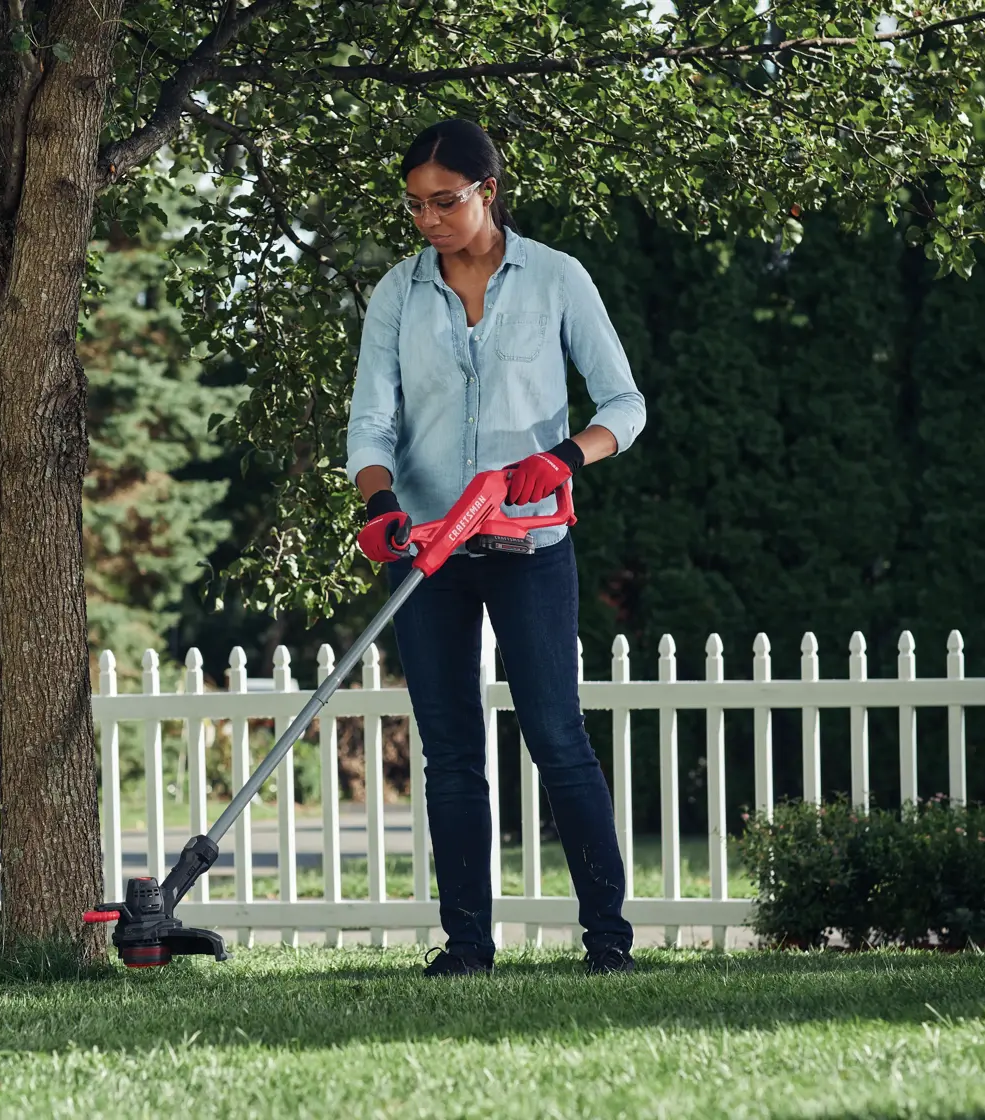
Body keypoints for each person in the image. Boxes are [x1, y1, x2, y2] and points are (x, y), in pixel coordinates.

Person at [345, 118, 647, 977]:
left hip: (529, 542)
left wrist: (557, 461)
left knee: (557, 737)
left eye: (446, 201)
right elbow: (372, 420)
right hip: (429, 549)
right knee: (450, 753)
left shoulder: (556, 278)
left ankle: (608, 942)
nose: (429, 220)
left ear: (488, 191)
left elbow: (624, 405)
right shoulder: (398, 295)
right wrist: (380, 504)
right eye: (415, 205)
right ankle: (468, 946)